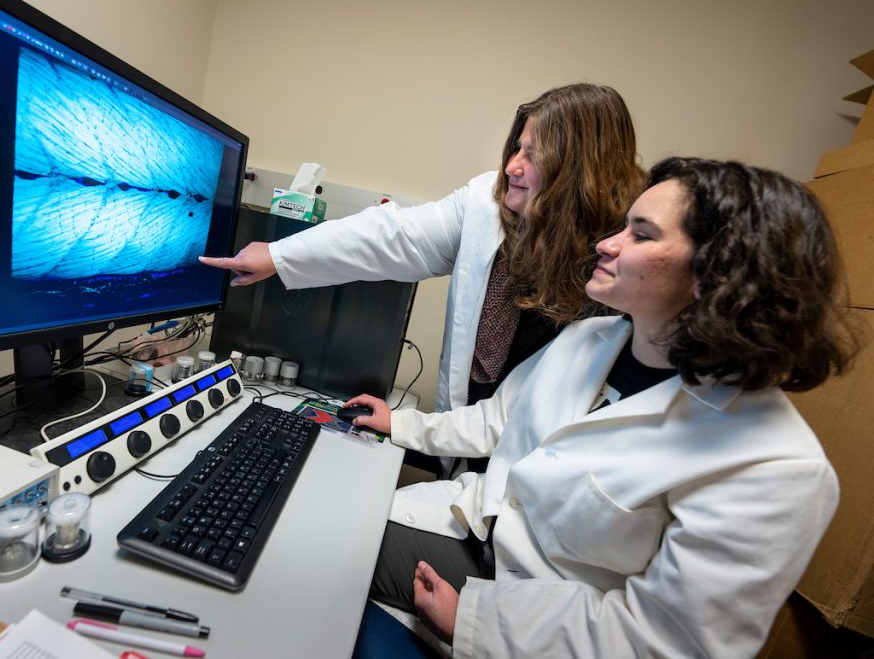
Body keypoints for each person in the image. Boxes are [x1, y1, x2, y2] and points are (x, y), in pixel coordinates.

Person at [344, 157, 861, 658]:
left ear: (718, 273)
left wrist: (475, 624)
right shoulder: (591, 338)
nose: (605, 244)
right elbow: (497, 420)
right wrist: (403, 424)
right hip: (476, 532)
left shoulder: (776, 466)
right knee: (308, 528)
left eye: (641, 233)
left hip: (537, 616)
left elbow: (666, 643)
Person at [200, 84, 646, 423]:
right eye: (517, 147)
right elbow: (392, 235)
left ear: (579, 172)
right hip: (472, 434)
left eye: (534, 155)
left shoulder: (624, 260)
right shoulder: (486, 204)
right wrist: (279, 255)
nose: (512, 165)